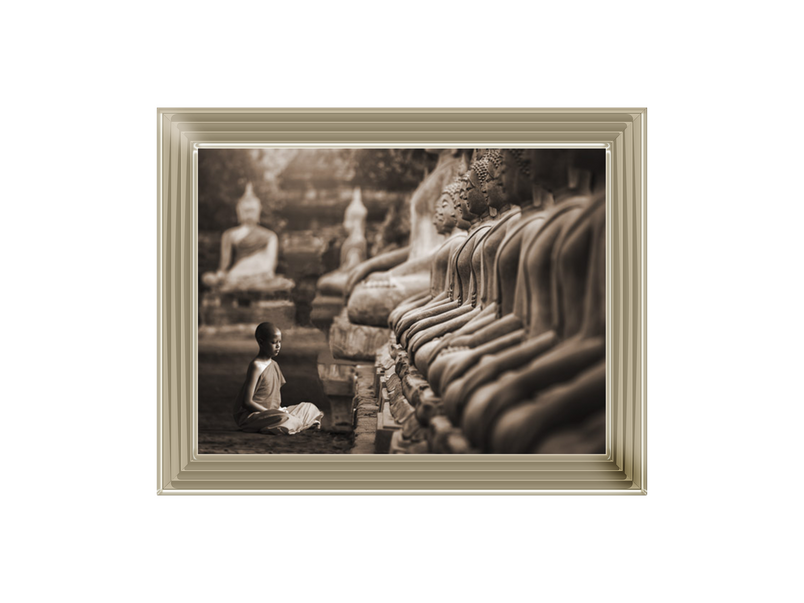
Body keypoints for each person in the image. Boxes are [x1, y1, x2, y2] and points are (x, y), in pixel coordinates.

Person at [232, 323, 323, 434]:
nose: (278, 346)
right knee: (287, 419)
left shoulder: (274, 364)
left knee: (310, 408)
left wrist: (279, 410)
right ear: (261, 342)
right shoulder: (256, 365)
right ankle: (293, 424)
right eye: (274, 342)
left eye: (280, 342)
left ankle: (292, 424)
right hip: (256, 415)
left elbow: (274, 398)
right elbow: (247, 402)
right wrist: (270, 413)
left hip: (275, 413)